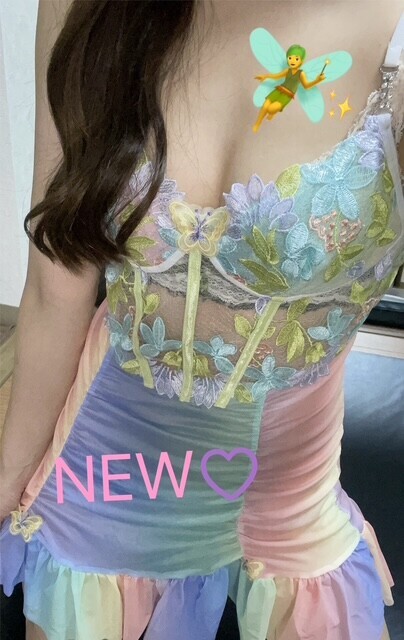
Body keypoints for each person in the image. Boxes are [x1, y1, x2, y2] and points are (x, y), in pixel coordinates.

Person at [0, 1, 403, 639]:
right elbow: (57, 286)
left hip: (293, 494)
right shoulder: (87, 8)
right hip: (109, 473)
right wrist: (7, 480)